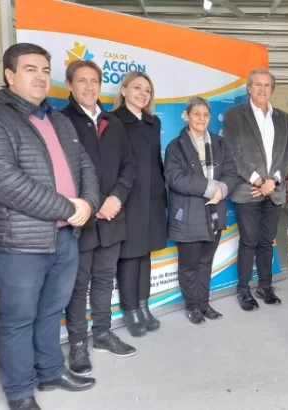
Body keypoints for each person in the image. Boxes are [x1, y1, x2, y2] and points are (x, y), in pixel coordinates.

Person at [0, 43, 100, 410]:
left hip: (64, 236)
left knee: (51, 311)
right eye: (30, 69)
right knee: (18, 318)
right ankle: (20, 392)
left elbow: (85, 166)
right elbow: (3, 180)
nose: (40, 77)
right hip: (18, 244)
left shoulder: (57, 119)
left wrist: (89, 203)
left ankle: (51, 371)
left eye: (45, 70)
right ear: (9, 75)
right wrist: (68, 208)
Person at [61, 60, 137, 377]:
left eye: (94, 81)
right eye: (82, 81)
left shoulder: (112, 122)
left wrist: (116, 198)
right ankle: (78, 344)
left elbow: (129, 165)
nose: (90, 87)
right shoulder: (61, 121)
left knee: (105, 278)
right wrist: (95, 204)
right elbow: (62, 174)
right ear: (69, 85)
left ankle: (103, 334)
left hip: (113, 216)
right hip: (81, 219)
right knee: (79, 285)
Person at [164, 96, 237, 324]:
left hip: (214, 213)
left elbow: (231, 172)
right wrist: (210, 188)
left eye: (206, 115)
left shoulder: (219, 143)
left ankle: (204, 304)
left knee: (206, 262)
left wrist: (222, 190)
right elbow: (175, 178)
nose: (202, 119)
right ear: (186, 116)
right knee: (189, 266)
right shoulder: (175, 146)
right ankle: (192, 306)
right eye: (196, 114)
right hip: (188, 215)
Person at [225, 69, 288, 311]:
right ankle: (243, 290)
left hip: (274, 190)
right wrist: (258, 181)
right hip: (248, 191)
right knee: (249, 241)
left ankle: (265, 286)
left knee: (266, 242)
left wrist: (273, 180)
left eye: (266, 85)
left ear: (271, 89)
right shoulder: (235, 115)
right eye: (257, 85)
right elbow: (234, 154)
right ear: (249, 88)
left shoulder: (283, 118)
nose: (262, 89)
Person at [111, 72, 168, 337]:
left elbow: (156, 161)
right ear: (124, 90)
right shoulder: (112, 120)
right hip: (128, 198)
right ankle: (131, 310)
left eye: (147, 90)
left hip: (152, 197)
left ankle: (144, 306)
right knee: (129, 255)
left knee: (145, 254)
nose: (143, 94)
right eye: (137, 88)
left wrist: (162, 193)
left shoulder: (153, 122)